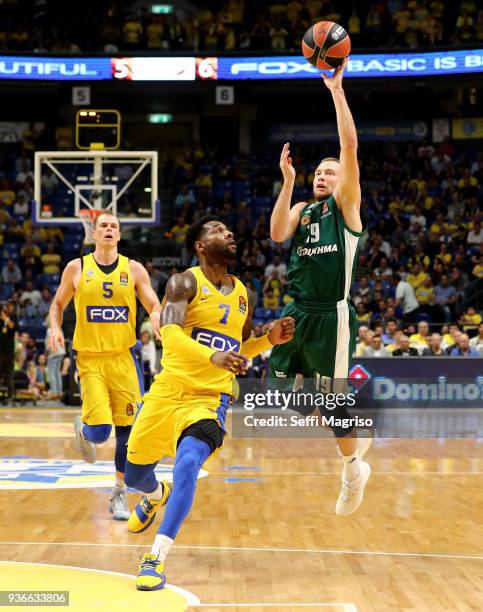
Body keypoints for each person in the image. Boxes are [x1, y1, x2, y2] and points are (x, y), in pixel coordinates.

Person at [124, 216, 295, 590]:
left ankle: (155, 557)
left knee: (187, 463)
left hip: (210, 398)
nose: (229, 233)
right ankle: (155, 496)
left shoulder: (244, 295)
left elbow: (239, 350)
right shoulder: (184, 281)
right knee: (135, 476)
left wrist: (269, 340)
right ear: (200, 246)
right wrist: (211, 356)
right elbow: (168, 333)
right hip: (167, 391)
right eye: (217, 230)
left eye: (229, 230)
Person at [268, 58, 371, 518]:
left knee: (330, 405)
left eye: (329, 173)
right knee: (287, 395)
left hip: (332, 314)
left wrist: (336, 90)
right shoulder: (305, 210)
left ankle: (352, 467)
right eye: (318, 173)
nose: (322, 176)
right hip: (298, 311)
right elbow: (275, 234)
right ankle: (350, 429)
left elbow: (349, 143)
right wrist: (289, 183)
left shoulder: (345, 210)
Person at [48, 212, 162, 521]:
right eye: (103, 226)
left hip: (123, 360)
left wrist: (155, 316)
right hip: (90, 359)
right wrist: (55, 328)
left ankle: (119, 493)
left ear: (119, 236)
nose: (109, 229)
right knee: (99, 434)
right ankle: (83, 429)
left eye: (114, 226)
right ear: (94, 235)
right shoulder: (77, 267)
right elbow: (57, 305)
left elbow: (153, 302)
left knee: (127, 432)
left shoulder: (134, 269)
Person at [0, 301, 16, 401]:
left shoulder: (12, 318)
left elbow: (13, 327)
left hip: (9, 353)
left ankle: (10, 396)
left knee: (10, 375)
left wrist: (5, 318)